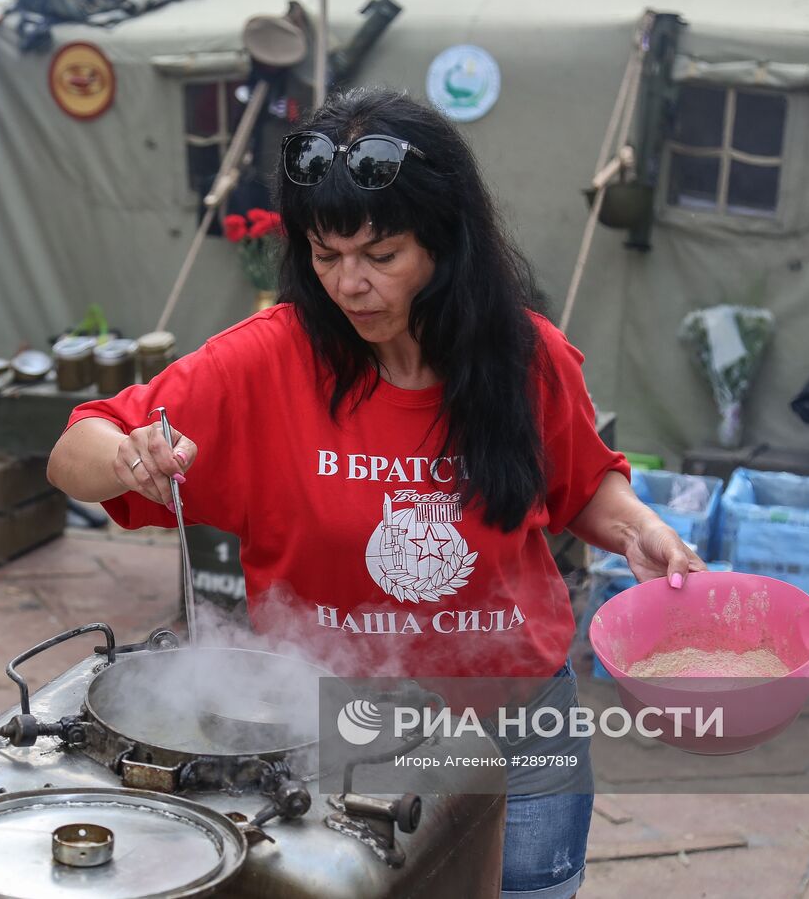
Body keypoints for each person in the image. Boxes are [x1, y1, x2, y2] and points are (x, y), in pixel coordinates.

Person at [47, 88, 703, 898]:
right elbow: (74, 450)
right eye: (326, 256)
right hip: (333, 744)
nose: (349, 284)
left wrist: (636, 525)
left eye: (381, 255)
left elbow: (581, 482)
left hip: (517, 731)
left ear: (446, 240)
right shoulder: (264, 364)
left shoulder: (524, 357)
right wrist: (129, 453)